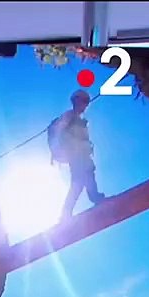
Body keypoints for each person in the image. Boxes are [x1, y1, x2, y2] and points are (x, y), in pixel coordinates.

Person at [49, 89, 107, 221]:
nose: (86, 105)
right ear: (76, 101)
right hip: (76, 155)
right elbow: (60, 133)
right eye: (84, 101)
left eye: (87, 102)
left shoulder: (78, 120)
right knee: (78, 182)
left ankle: (92, 198)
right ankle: (67, 212)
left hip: (81, 155)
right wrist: (60, 149)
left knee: (83, 180)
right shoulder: (69, 116)